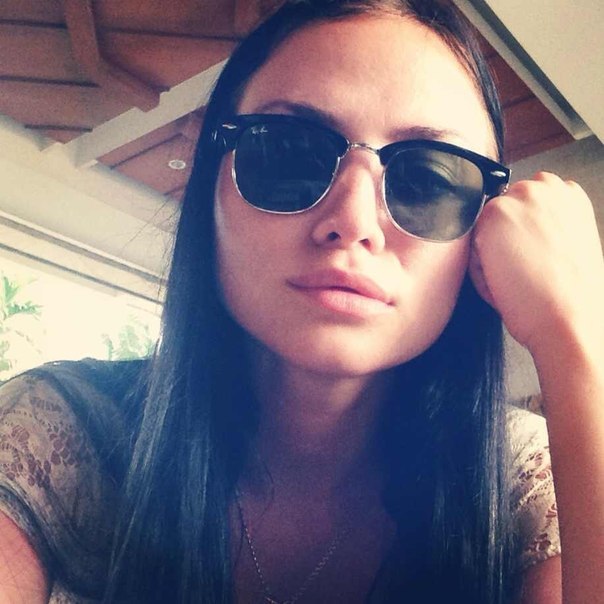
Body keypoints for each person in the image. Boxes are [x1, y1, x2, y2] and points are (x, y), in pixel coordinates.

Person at [0, 0, 603, 602]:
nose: (353, 222)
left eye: (428, 179)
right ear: (209, 179)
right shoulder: (55, 438)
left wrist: (575, 338)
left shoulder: (525, 483)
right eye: (289, 150)